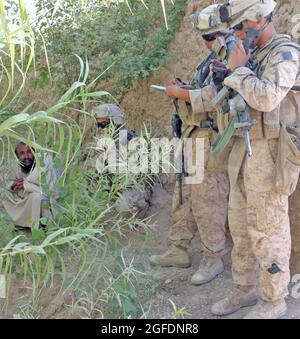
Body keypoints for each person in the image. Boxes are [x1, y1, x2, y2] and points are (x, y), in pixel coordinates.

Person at [210, 0, 300, 319]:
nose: (236, 34)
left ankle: (274, 300)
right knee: (240, 226)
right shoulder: (255, 54)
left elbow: (266, 97)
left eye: (240, 27)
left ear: (260, 19)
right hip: (244, 153)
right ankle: (244, 290)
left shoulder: (285, 53)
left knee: (268, 229)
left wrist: (238, 70)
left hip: (271, 155)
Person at [149, 4, 233, 286]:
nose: (205, 41)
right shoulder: (213, 58)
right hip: (193, 137)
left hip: (211, 140)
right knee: (183, 196)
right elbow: (200, 90)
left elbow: (215, 97)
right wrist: (183, 88)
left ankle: (213, 258)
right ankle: (179, 248)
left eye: (209, 36)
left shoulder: (234, 56)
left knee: (209, 200)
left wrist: (181, 93)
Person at [87, 104, 151, 218]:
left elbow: (137, 177)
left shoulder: (132, 142)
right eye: (98, 124)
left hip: (133, 188)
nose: (100, 128)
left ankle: (140, 209)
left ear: (115, 123)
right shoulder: (104, 141)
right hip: (113, 186)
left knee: (124, 206)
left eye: (103, 124)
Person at [0, 142, 62, 230]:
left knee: (37, 197)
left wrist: (26, 185)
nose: (26, 156)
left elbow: (52, 192)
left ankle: (49, 228)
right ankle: (18, 225)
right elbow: (6, 183)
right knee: (3, 194)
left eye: (29, 152)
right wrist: (13, 185)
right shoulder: (15, 165)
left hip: (43, 198)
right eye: (22, 153)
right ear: (17, 156)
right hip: (23, 199)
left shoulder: (44, 162)